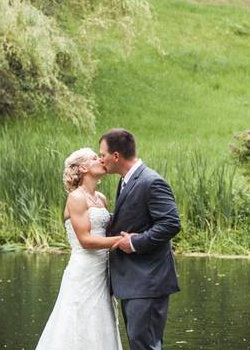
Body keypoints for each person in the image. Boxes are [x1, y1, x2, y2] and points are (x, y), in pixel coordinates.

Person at [34, 148, 124, 350]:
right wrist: (123, 240)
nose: (101, 159)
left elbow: (105, 233)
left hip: (103, 271)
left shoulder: (101, 198)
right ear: (83, 167)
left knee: (101, 321)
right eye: (94, 158)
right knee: (79, 321)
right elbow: (85, 240)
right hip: (84, 270)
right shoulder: (76, 198)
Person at [100, 128, 181, 350]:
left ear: (116, 156)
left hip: (148, 281)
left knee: (144, 346)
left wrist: (134, 243)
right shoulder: (126, 180)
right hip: (135, 282)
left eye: (103, 154)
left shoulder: (151, 181)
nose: (100, 159)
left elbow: (171, 223)